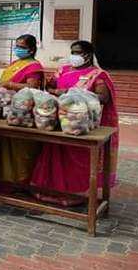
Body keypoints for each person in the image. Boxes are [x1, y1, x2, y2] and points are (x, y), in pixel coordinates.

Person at [31, 40, 119, 205]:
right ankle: (49, 190)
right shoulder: (62, 70)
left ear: (88, 55)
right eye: (73, 52)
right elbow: (48, 87)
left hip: (79, 124)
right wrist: (56, 92)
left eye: (77, 52)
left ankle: (75, 194)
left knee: (76, 157)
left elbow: (104, 97)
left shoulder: (98, 74)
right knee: (54, 153)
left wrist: (77, 94)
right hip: (57, 121)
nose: (74, 56)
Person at [0, 34, 44, 189]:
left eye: (22, 47)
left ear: (31, 49)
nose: (18, 49)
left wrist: (10, 84)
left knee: (18, 148)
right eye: (17, 46)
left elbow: (32, 87)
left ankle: (17, 183)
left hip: (21, 112)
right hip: (5, 109)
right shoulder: (16, 63)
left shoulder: (34, 66)